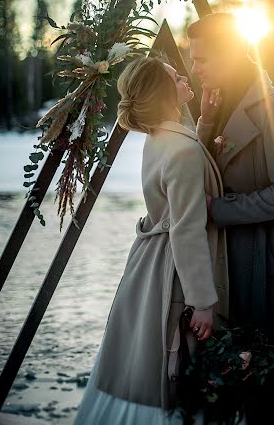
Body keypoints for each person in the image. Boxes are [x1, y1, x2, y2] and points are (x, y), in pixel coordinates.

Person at [73, 55, 229, 424]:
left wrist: (204, 121)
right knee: (172, 364)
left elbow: (187, 158)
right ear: (163, 93)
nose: (184, 76)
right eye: (176, 77)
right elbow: (188, 230)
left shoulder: (160, 137)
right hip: (172, 270)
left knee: (142, 362)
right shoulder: (181, 149)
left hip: (148, 262)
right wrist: (202, 301)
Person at [187, 12, 274, 423]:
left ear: (227, 55)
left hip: (267, 268)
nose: (195, 68)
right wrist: (207, 120)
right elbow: (206, 166)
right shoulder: (225, 99)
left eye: (202, 59)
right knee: (237, 382)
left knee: (262, 383)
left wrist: (217, 211)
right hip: (236, 262)